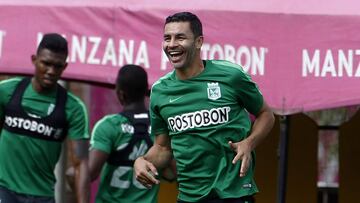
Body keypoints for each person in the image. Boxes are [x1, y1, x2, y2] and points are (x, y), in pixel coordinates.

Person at [134, 12, 275, 203]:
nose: (172, 44)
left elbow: (266, 114)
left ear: (199, 42)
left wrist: (249, 143)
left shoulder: (231, 76)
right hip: (190, 196)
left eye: (180, 37)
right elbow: (162, 147)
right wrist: (143, 161)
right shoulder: (159, 92)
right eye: (167, 38)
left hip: (234, 194)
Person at [0, 33, 90, 203]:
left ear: (65, 66)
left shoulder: (73, 108)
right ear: (34, 60)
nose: (51, 71)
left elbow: (80, 165)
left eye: (58, 66)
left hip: (42, 196)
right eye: (46, 63)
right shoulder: (6, 92)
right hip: (4, 190)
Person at [89, 64, 174, 203]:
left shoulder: (110, 126)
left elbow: (89, 173)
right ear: (146, 91)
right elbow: (173, 174)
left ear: (120, 93)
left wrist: (72, 174)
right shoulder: (161, 126)